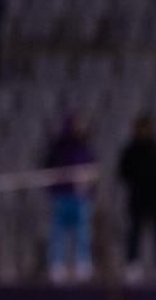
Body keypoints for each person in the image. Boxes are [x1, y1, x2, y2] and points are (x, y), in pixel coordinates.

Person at [117, 112, 156, 274]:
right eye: (142, 128)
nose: (145, 131)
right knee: (134, 231)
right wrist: (137, 180)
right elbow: (123, 172)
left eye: (147, 128)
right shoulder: (130, 151)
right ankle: (132, 263)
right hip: (137, 196)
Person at [43, 113, 96, 283]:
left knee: (82, 232)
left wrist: (89, 185)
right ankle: (57, 264)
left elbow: (92, 169)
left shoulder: (84, 147)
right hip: (62, 195)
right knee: (58, 232)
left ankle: (83, 263)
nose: (79, 128)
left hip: (80, 197)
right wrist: (54, 188)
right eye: (76, 125)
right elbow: (49, 169)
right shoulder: (58, 147)